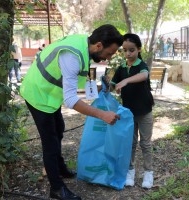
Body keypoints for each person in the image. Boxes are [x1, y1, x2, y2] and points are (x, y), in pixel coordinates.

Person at [20, 24, 123, 200]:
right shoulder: (72, 55)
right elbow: (70, 100)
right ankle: (57, 189)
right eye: (109, 53)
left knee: (59, 128)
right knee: (50, 141)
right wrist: (102, 115)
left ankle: (59, 167)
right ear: (99, 46)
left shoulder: (84, 47)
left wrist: (99, 88)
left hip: (50, 94)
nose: (109, 57)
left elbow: (76, 84)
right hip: (37, 93)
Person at [109, 33, 155, 189]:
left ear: (139, 49)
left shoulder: (142, 65)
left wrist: (126, 80)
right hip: (128, 113)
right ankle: (130, 171)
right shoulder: (121, 68)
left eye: (132, 50)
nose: (128, 54)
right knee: (131, 143)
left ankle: (148, 173)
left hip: (145, 111)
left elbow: (144, 76)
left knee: (146, 144)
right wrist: (105, 86)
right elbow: (113, 84)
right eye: (125, 50)